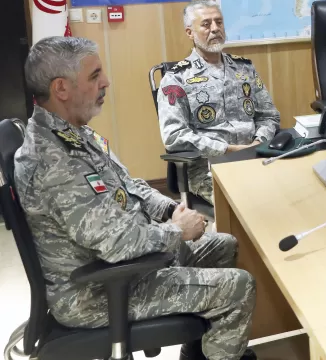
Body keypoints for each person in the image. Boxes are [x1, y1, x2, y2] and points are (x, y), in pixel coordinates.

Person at [14, 37, 256, 360]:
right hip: (96, 292)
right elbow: (116, 242)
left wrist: (171, 210)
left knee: (224, 246)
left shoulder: (73, 132)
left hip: (126, 265)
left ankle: (197, 353)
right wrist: (177, 231)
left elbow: (129, 186)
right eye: (94, 75)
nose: (106, 82)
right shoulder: (52, 160)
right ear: (61, 88)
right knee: (239, 288)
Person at [158, 0, 280, 204]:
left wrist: (259, 142)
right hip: (207, 167)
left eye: (219, 22)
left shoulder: (244, 69)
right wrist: (226, 150)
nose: (215, 29)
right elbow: (174, 135)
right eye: (206, 24)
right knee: (249, 201)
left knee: (292, 189)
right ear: (190, 32)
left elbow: (268, 115)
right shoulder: (176, 78)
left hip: (256, 156)